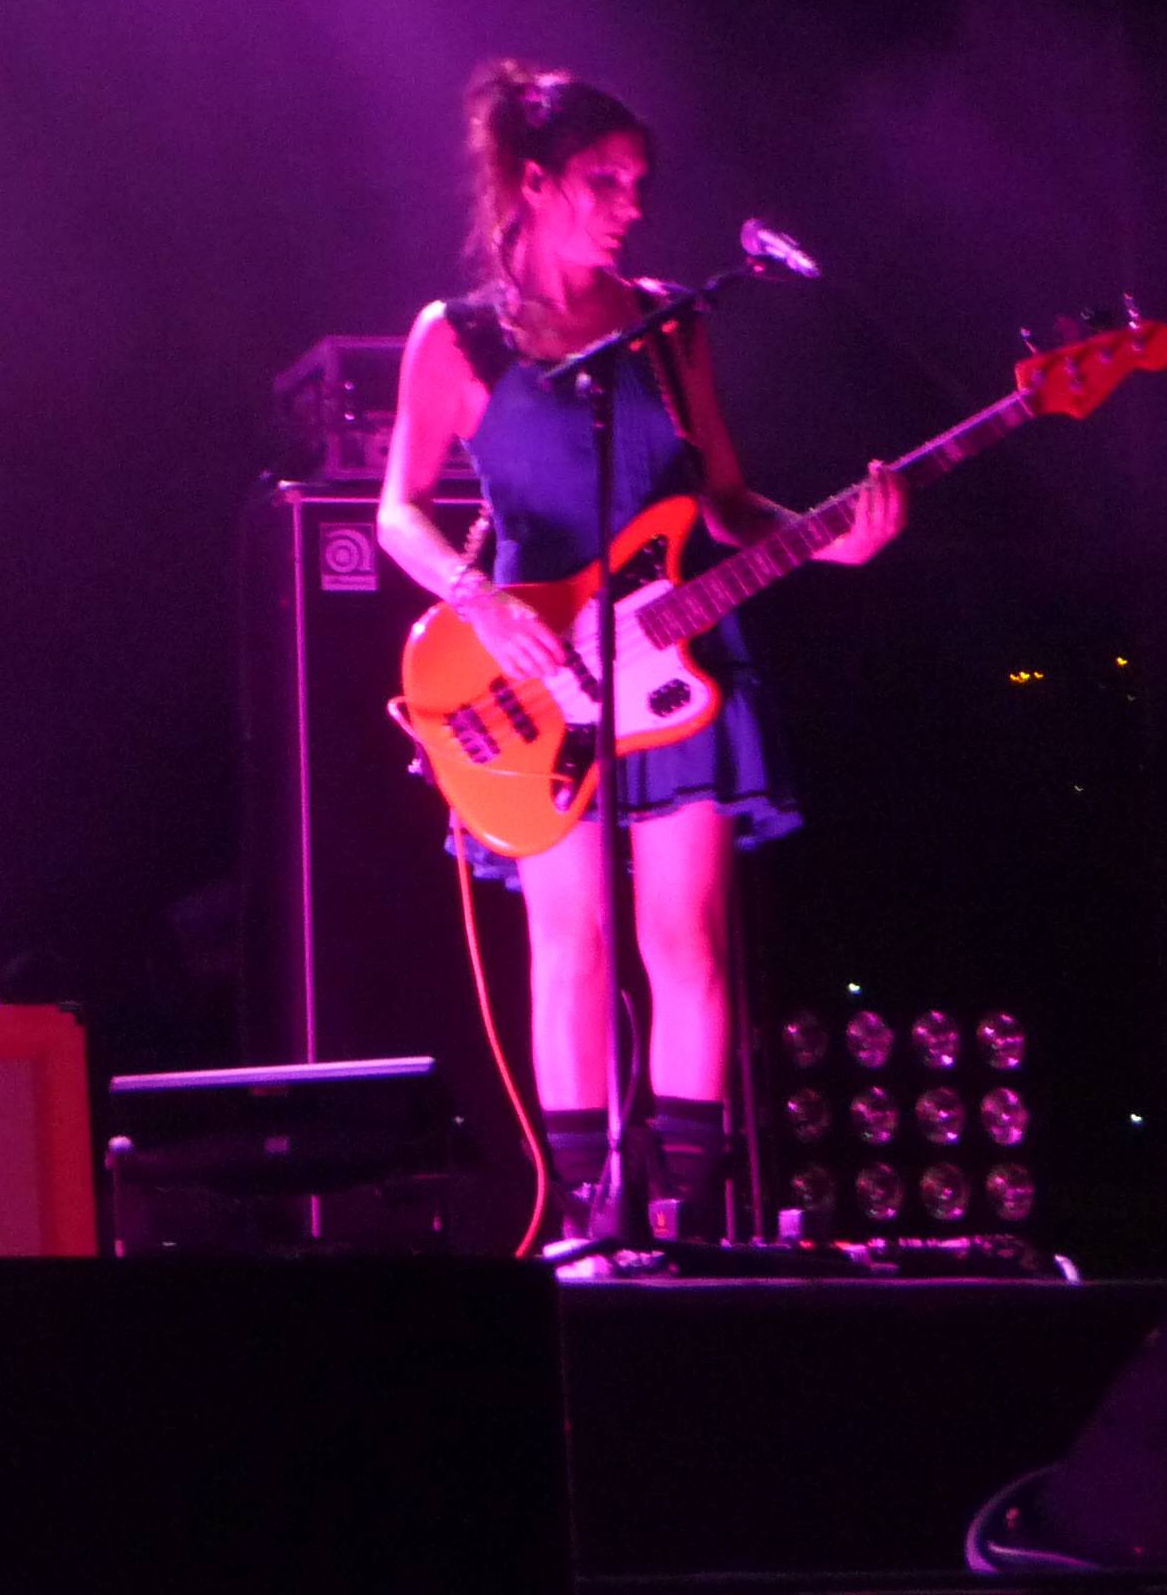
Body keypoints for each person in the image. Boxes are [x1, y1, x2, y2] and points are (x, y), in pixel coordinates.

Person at [375, 61, 901, 1235]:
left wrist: (830, 543)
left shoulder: (669, 324)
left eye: (640, 183)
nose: (633, 205)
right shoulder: (458, 337)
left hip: (681, 658)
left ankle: (684, 1217)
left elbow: (728, 504)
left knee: (685, 941)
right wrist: (478, 601)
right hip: (535, 668)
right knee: (569, 944)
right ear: (533, 182)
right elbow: (397, 511)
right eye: (605, 181)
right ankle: (583, 1218)